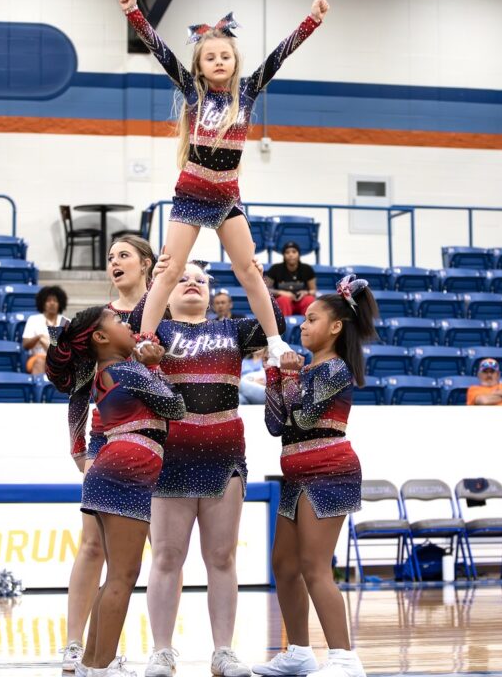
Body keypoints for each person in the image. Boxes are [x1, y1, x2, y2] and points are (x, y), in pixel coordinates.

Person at [117, 0, 329, 367]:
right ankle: (145, 339)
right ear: (199, 66)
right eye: (210, 57)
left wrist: (310, 20)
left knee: (249, 270)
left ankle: (276, 342)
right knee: (169, 269)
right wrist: (134, 13)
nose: (218, 61)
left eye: (225, 56)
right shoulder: (193, 92)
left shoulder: (246, 93)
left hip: (228, 198)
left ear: (235, 62)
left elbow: (280, 54)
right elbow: (162, 51)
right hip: (191, 195)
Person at [129, 261, 285, 677]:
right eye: (183, 278)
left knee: (221, 556)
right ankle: (161, 650)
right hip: (169, 455)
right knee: (165, 556)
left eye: (201, 279)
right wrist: (161, 278)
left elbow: (277, 320)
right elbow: (130, 321)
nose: (193, 284)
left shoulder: (233, 330)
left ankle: (223, 651)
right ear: (167, 287)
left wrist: (253, 275)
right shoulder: (153, 331)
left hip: (223, 455)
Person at [46, 307, 186, 677]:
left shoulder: (108, 372)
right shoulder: (128, 370)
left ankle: (93, 662)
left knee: (115, 577)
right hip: (127, 467)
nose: (129, 326)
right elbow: (176, 407)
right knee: (123, 577)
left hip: (111, 467)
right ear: (101, 338)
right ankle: (98, 665)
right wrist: (155, 366)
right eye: (120, 323)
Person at [253, 274, 378, 677]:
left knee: (313, 565)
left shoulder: (336, 369)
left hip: (329, 470)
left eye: (311, 319)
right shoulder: (307, 370)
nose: (302, 325)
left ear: (336, 327)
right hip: (297, 474)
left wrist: (286, 376)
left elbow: (304, 418)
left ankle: (344, 658)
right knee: (283, 564)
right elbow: (276, 424)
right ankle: (299, 652)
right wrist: (276, 376)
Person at [60, 236, 168, 672]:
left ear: (146, 264)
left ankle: (107, 652)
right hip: (108, 441)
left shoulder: (161, 312)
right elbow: (77, 393)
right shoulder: (97, 322)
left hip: (155, 437)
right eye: (110, 258)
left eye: (123, 255)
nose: (114, 262)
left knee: (136, 554)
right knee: (92, 546)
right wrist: (78, 446)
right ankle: (75, 645)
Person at [22, 285, 67, 374]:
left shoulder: (65, 322)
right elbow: (25, 345)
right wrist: (38, 338)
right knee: (40, 363)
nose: (52, 303)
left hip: (59, 361)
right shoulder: (33, 319)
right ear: (43, 303)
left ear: (60, 303)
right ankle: (38, 387)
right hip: (38, 357)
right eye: (48, 301)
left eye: (55, 301)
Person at [264, 242, 317, 317]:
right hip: (284, 302)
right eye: (287, 252)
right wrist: (281, 292)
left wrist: (306, 292)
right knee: (283, 300)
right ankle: (284, 327)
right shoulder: (275, 268)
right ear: (284, 255)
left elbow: (313, 290)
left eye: (294, 252)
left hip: (301, 301)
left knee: (309, 299)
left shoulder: (307, 269)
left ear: (298, 254)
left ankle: (309, 325)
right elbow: (265, 289)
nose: (291, 255)